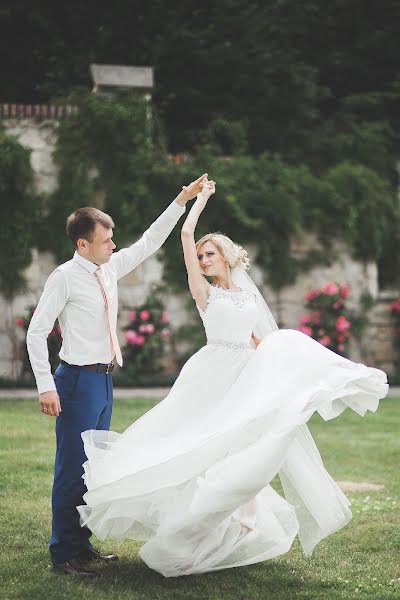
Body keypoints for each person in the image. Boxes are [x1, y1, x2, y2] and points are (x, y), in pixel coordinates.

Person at [77, 179, 389, 578]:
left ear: (225, 256)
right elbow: (187, 233)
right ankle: (200, 521)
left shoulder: (245, 295)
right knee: (202, 443)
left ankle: (244, 504)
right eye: (201, 256)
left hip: (246, 371)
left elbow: (259, 338)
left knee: (252, 430)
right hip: (212, 372)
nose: (204, 260)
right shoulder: (204, 292)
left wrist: (276, 362)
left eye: (210, 254)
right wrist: (200, 200)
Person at [26, 173, 208, 578]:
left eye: (112, 238)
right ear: (82, 244)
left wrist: (182, 200)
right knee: (72, 470)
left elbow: (149, 241)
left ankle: (82, 544)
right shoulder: (64, 277)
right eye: (106, 239)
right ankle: (63, 554)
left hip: (104, 381)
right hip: (74, 383)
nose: (113, 244)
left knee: (93, 469)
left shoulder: (108, 269)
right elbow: (36, 333)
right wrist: (45, 386)